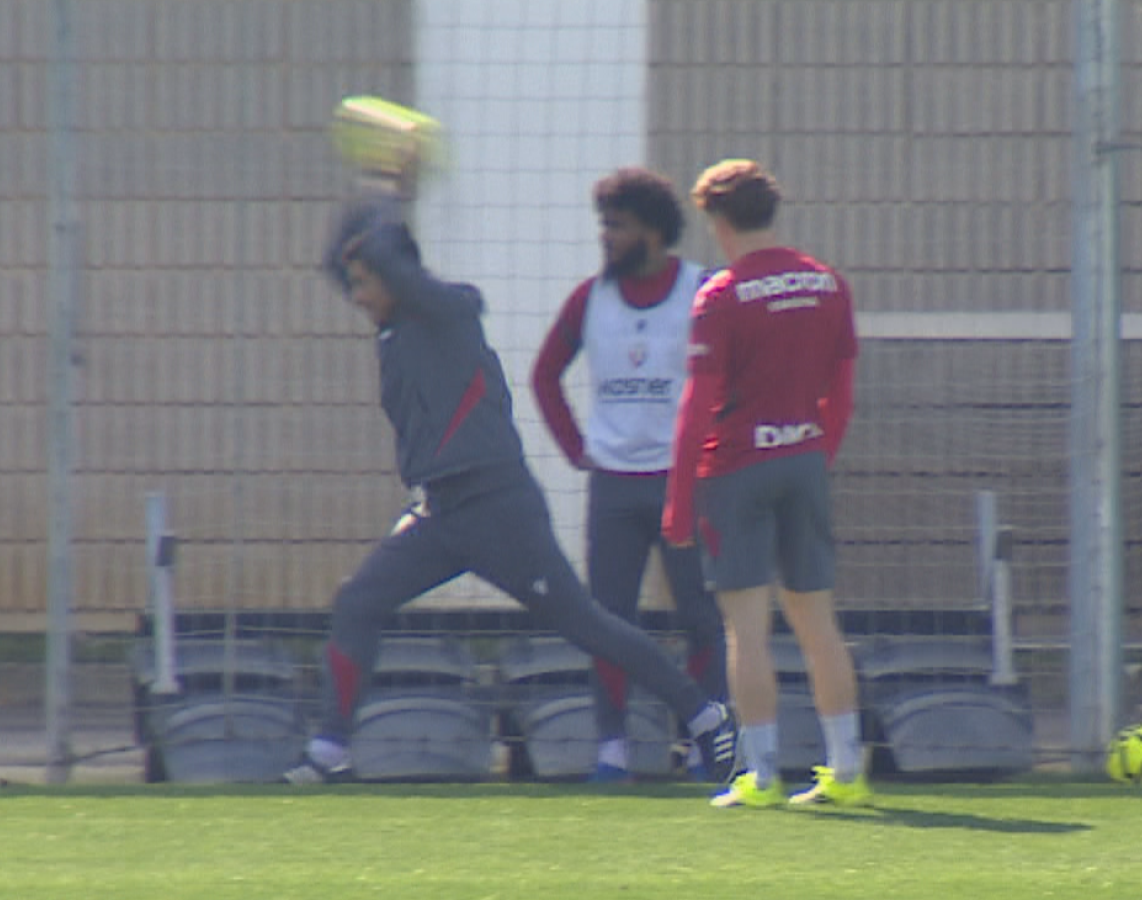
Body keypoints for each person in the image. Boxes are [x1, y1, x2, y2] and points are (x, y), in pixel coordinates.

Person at [281, 173, 738, 787]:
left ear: (395, 278)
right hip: (441, 513)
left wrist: (395, 193)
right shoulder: (394, 325)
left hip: (498, 508)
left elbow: (388, 258)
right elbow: (346, 265)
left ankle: (705, 716)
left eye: (365, 285)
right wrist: (366, 199)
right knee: (359, 601)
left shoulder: (448, 310)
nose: (357, 298)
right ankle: (329, 750)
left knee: (587, 623)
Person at [662, 159, 869, 808]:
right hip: (804, 459)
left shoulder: (720, 295)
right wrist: (816, 452)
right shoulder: (825, 283)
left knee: (745, 630)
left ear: (716, 219)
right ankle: (846, 769)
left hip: (736, 472)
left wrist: (678, 500)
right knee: (818, 621)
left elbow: (698, 405)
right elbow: (842, 389)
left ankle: (762, 775)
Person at [531, 168, 726, 783]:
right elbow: (544, 376)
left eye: (616, 225)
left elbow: (733, 379)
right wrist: (578, 450)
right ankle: (613, 746)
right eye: (603, 225)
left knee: (700, 615)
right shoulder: (590, 299)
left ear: (651, 230)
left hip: (684, 481)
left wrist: (716, 454)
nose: (605, 237)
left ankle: (706, 745)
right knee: (608, 618)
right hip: (613, 486)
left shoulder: (701, 292)